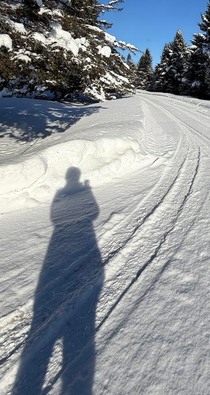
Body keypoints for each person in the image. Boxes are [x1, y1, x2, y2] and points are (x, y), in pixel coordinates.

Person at [13, 168, 104, 395]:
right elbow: (94, 213)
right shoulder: (69, 193)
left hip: (62, 239)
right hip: (77, 237)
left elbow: (56, 216)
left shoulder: (61, 193)